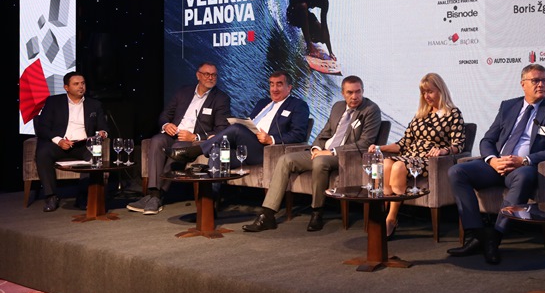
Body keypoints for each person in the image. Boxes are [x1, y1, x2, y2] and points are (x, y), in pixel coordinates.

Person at [447, 63, 545, 265]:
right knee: (456, 171)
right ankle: (475, 235)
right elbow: (487, 140)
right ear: (523, 84)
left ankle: (495, 237)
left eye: (544, 80)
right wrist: (492, 160)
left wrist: (525, 160)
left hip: (522, 168)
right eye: (535, 80)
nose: (541, 84)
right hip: (497, 164)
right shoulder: (508, 106)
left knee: (525, 176)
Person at [243, 75, 382, 233]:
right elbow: (324, 133)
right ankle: (268, 214)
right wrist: (316, 149)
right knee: (285, 160)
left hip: (346, 157)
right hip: (323, 152)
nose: (354, 96)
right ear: (343, 93)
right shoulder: (338, 107)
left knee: (320, 162)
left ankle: (317, 212)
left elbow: (364, 143)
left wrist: (330, 152)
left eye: (358, 92)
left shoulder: (370, 110)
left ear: (363, 91)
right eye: (350, 92)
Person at [370, 73, 466, 237]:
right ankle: (381, 214)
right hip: (410, 154)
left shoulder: (453, 113)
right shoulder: (421, 114)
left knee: (398, 166)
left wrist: (444, 150)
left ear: (440, 90)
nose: (426, 96)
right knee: (385, 164)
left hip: (429, 159)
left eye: (430, 91)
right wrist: (380, 147)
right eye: (424, 92)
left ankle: (391, 219)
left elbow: (459, 144)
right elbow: (403, 143)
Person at [129, 62, 231, 215]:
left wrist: (195, 136)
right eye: (207, 74)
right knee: (157, 140)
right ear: (198, 75)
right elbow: (165, 115)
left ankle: (157, 196)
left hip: (193, 141)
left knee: (178, 148)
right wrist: (166, 125)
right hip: (174, 135)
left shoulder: (221, 98)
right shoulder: (184, 92)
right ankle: (153, 193)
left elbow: (221, 129)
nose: (210, 78)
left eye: (214, 75)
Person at [169, 70, 310, 165]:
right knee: (217, 152)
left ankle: (195, 151)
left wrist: (271, 139)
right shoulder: (263, 103)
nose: (274, 89)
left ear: (289, 87)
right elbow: (250, 122)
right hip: (244, 147)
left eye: (279, 85)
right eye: (271, 84)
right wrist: (220, 136)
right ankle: (214, 198)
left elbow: (299, 134)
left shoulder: (298, 105)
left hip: (264, 151)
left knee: (236, 129)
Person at [33, 71, 109, 212]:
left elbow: (103, 126)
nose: (81, 87)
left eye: (83, 83)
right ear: (66, 87)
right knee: (43, 153)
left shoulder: (94, 104)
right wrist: (59, 141)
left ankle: (83, 196)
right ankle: (51, 196)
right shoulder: (53, 102)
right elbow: (42, 127)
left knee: (95, 155)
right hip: (59, 144)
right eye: (76, 84)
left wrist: (102, 132)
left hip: (83, 145)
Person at [269, 0, 334, 61]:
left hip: (305, 18)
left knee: (322, 35)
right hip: (292, 14)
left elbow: (324, 26)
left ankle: (308, 39)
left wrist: (330, 52)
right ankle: (309, 45)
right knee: (303, 6)